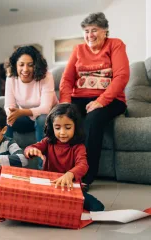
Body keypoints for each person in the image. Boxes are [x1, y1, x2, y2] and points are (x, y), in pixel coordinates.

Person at [59, 12, 129, 191]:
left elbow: (122, 76)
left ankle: (84, 177)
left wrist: (101, 100)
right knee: (63, 119)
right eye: (86, 31)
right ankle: (60, 171)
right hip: (80, 97)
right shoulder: (78, 50)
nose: (90, 35)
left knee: (92, 120)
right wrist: (66, 103)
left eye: (94, 30)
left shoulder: (115, 44)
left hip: (111, 100)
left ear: (105, 31)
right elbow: (66, 79)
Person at [24, 104, 104, 211]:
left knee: (98, 208)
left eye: (68, 127)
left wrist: (70, 174)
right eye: (57, 128)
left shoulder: (78, 147)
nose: (62, 132)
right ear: (52, 127)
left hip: (71, 188)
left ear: (75, 126)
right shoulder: (48, 142)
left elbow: (83, 165)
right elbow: (31, 148)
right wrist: (31, 150)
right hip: (50, 187)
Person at [4, 46, 58, 168]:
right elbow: (8, 105)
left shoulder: (46, 76)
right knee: (6, 120)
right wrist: (11, 113)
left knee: (42, 119)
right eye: (21, 65)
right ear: (15, 65)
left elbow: (46, 108)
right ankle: (8, 166)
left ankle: (43, 168)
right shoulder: (11, 78)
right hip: (27, 117)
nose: (25, 69)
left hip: (49, 118)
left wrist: (21, 112)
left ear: (36, 65)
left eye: (30, 65)